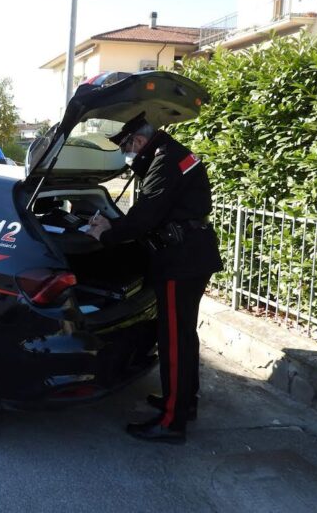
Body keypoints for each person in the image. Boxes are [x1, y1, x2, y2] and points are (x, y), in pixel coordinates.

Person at [87, 113, 223, 444]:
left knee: (174, 341)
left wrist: (105, 235)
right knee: (184, 337)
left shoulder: (164, 161)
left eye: (127, 147)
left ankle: (171, 422)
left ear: (138, 141)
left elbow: (143, 219)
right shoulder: (174, 153)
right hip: (192, 255)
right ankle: (183, 403)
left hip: (181, 261)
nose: (127, 155)